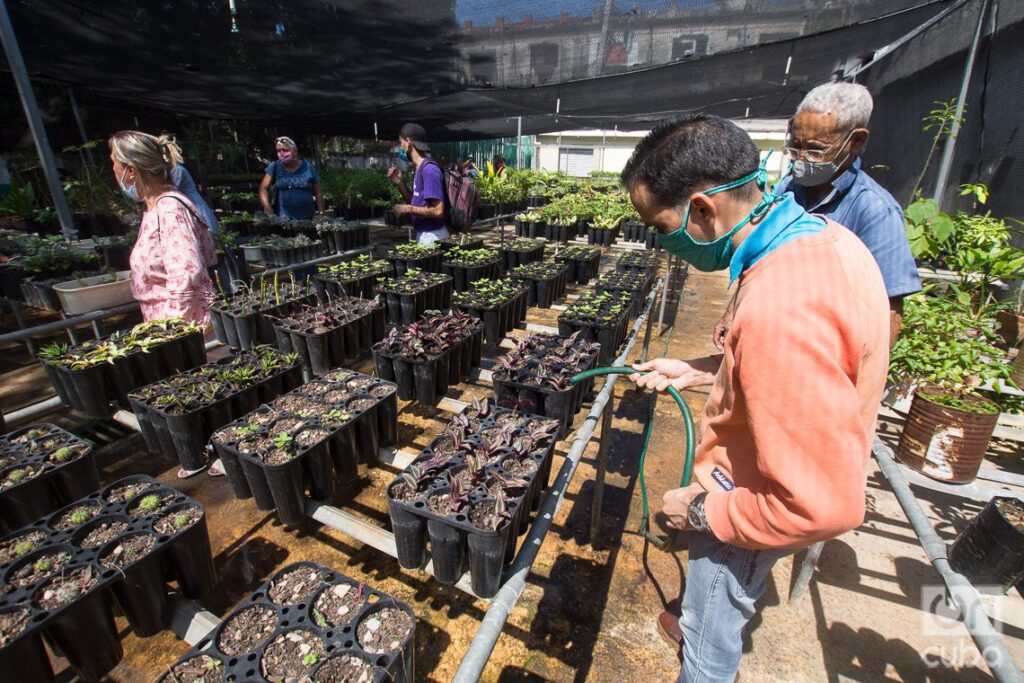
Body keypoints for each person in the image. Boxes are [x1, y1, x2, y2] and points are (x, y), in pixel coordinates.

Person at [620, 115, 890, 683]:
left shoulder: (782, 308)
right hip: (763, 474)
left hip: (745, 505)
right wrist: (696, 371)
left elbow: (819, 507)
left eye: (659, 226)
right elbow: (802, 369)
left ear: (701, 209)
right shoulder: (827, 242)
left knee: (708, 644)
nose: (661, 243)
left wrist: (696, 510)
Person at [778, 82, 920, 344]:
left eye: (815, 149)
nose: (801, 160)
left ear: (855, 141)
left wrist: (861, 378)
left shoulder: (875, 211)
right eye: (795, 147)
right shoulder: (786, 188)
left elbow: (888, 306)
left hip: (824, 347)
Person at [110, 130, 216, 327]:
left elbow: (187, 274)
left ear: (131, 170)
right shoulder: (155, 208)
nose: (113, 169)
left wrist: (172, 331)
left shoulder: (169, 210)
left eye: (114, 162)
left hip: (184, 330)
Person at [387, 123, 449, 245]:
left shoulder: (429, 170)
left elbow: (438, 211)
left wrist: (408, 209)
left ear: (408, 142)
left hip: (433, 236)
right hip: (424, 235)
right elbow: (417, 202)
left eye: (401, 142)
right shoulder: (418, 168)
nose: (400, 147)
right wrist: (401, 183)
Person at [158, 134, 219, 233]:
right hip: (188, 203)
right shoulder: (174, 170)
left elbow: (172, 190)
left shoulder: (177, 170)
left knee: (202, 231)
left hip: (193, 203)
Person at [258, 136, 325, 219]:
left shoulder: (308, 167)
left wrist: (321, 212)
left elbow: (318, 192)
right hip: (284, 220)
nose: (282, 153)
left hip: (308, 219)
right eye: (279, 151)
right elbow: (263, 188)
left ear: (295, 152)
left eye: (285, 150)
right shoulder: (275, 166)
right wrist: (267, 207)